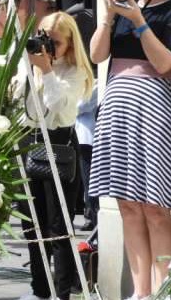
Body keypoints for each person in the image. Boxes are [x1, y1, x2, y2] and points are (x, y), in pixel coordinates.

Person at [89, 0, 171, 300]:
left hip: (153, 105)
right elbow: (97, 54)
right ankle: (140, 293)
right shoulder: (125, 13)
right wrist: (110, 16)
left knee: (156, 206)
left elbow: (166, 65)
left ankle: (164, 291)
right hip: (117, 107)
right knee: (127, 205)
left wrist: (139, 23)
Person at [18, 12, 95, 300]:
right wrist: (32, 69)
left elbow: (57, 106)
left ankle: (60, 292)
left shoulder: (75, 72)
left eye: (55, 42)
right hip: (32, 143)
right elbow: (31, 112)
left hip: (61, 145)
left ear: (71, 44)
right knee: (31, 224)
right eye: (43, 37)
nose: (47, 46)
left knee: (58, 226)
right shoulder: (34, 65)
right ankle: (40, 290)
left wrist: (46, 70)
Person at [76, 82, 99, 231]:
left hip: (89, 138)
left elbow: (79, 106)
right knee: (86, 181)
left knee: (90, 181)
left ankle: (92, 216)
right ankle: (89, 214)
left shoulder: (96, 86)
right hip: (81, 137)